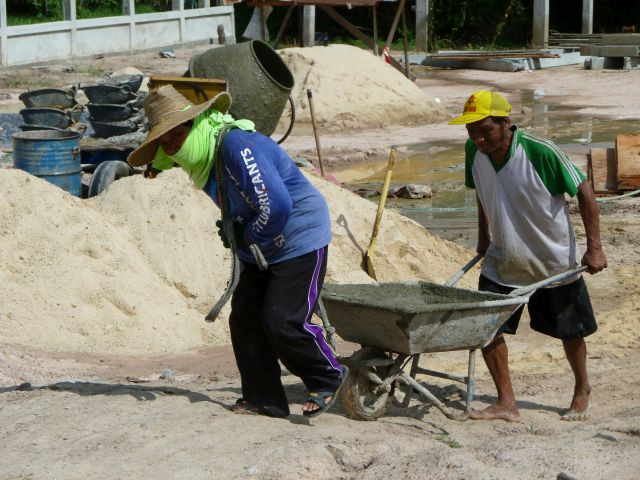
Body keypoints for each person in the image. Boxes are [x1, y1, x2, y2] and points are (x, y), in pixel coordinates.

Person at [127, 85, 347, 418]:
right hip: (260, 243)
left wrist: (248, 234)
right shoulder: (203, 158)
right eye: (164, 140)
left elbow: (276, 206)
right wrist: (237, 230)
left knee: (282, 319)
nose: (171, 144)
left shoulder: (235, 144)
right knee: (244, 319)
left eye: (176, 134)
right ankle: (264, 398)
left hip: (299, 234)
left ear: (195, 124)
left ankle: (328, 376)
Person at [448, 91, 607, 422]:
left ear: (506, 123)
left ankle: (582, 388)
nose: (478, 137)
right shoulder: (472, 151)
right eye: (471, 130)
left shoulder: (540, 152)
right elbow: (482, 191)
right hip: (502, 258)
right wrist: (483, 235)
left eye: (485, 129)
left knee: (570, 329)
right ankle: (507, 402)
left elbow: (585, 192)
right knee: (487, 327)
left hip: (552, 259)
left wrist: (594, 247)